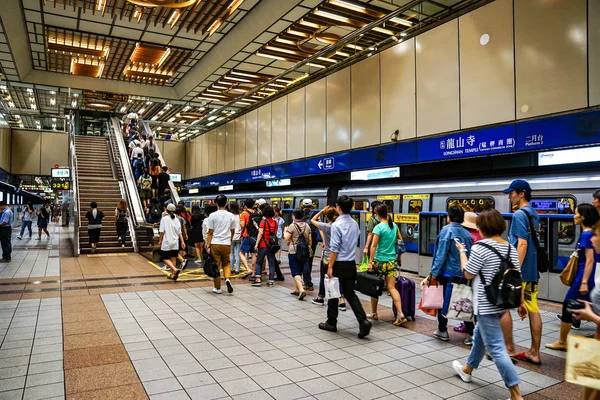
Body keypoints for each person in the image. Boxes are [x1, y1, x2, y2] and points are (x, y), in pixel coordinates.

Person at [452, 210, 527, 400]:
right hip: (503, 302)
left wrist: (462, 252)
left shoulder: (480, 247)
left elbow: (468, 273)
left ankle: (516, 393)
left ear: (482, 227)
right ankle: (467, 369)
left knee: (497, 349)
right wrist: (521, 301)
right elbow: (517, 275)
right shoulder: (510, 247)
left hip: (486, 304)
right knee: (480, 336)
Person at [545, 203, 599, 351]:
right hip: (588, 275)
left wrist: (584, 282)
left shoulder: (587, 234)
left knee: (569, 304)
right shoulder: (591, 233)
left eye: (576, 213)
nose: (573, 216)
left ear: (583, 217)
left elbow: (590, 260)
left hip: (585, 276)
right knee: (587, 306)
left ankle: (562, 341)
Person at [318, 196, 372, 338]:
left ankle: (331, 323)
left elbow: (334, 248)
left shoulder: (336, 225)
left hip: (338, 263)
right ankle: (363, 321)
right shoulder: (354, 224)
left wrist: (330, 266)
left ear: (338, 207)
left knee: (333, 294)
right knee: (350, 293)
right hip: (350, 263)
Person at [501, 179, 542, 365]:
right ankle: (534, 351)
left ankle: (506, 348)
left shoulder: (518, 215)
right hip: (532, 271)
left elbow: (522, 244)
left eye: (512, 193)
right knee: (533, 309)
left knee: (501, 307)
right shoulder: (534, 214)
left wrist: (515, 271)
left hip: (522, 271)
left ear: (521, 193)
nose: (510, 196)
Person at [426, 206, 475, 344]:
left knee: (442, 303)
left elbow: (440, 255)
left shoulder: (445, 232)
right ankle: (471, 334)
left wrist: (433, 273)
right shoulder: (467, 234)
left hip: (447, 274)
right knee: (464, 301)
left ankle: (442, 330)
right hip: (463, 274)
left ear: (449, 217)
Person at [367, 204, 407, 326]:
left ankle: (374, 313)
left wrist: (370, 262)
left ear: (377, 214)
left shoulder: (378, 228)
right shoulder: (394, 226)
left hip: (379, 261)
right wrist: (399, 257)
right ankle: (400, 314)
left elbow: (373, 246)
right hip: (391, 261)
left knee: (375, 288)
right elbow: (400, 243)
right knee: (392, 288)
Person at [311, 206, 346, 311]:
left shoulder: (326, 226)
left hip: (327, 256)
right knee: (339, 278)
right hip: (339, 256)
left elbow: (312, 220)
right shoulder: (340, 226)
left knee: (324, 276)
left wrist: (321, 211)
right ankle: (342, 301)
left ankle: (320, 297)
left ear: (326, 216)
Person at [455, 211, 483, 333]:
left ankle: (467, 325)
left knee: (466, 297)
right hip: (480, 274)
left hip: (469, 269)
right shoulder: (480, 235)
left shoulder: (465, 235)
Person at [205, 195, 236, 294]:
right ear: (226, 203)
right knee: (226, 263)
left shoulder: (212, 215)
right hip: (226, 243)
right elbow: (232, 230)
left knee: (216, 265)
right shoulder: (231, 216)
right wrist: (229, 240)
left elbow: (210, 232)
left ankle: (217, 288)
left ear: (216, 203)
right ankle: (227, 279)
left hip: (215, 243)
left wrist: (208, 245)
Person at [284, 209, 312, 300]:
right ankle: (296, 289)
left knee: (295, 271)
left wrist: (285, 231)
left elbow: (287, 238)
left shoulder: (292, 226)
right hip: (304, 251)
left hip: (294, 251)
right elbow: (310, 240)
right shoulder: (307, 225)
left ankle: (301, 289)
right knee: (300, 270)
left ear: (294, 216)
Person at [251, 205, 279, 287]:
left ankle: (258, 279)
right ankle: (271, 281)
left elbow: (260, 233)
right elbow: (275, 234)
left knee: (259, 262)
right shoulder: (275, 223)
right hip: (271, 246)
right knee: (271, 263)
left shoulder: (263, 222)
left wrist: (256, 244)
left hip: (263, 245)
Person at [159, 203, 184, 281]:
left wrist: (160, 240)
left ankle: (175, 269)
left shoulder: (164, 219)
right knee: (173, 258)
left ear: (166, 210)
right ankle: (173, 275)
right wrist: (182, 241)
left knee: (165, 258)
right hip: (175, 242)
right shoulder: (176, 219)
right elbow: (180, 232)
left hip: (167, 242)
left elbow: (162, 232)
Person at [301, 199, 318, 291]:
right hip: (312, 241)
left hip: (302, 240)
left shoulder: (299, 213)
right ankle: (307, 280)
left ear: (302, 205)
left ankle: (306, 282)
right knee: (309, 260)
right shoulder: (315, 215)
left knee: (303, 261)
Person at [239, 199, 257, 277]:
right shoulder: (256, 213)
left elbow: (242, 225)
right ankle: (253, 272)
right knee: (253, 254)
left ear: (245, 205)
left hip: (247, 236)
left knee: (241, 253)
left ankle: (248, 269)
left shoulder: (244, 213)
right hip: (254, 237)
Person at [229, 202, 242, 273]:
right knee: (238, 253)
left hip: (231, 236)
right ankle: (237, 269)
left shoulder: (229, 216)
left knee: (231, 253)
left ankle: (231, 268)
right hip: (239, 236)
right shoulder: (240, 216)